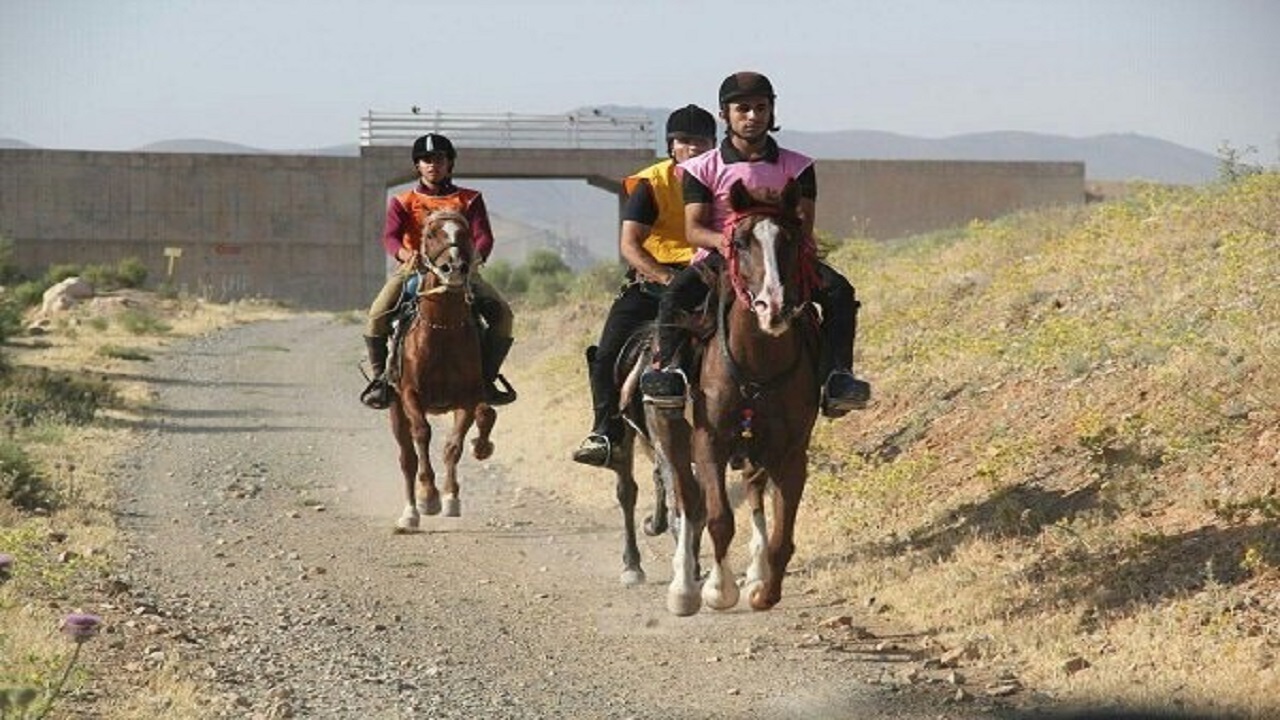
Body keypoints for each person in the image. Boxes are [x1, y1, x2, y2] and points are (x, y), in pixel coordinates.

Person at [639, 71, 872, 418]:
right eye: (743, 109)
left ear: (771, 111)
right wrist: (730, 244)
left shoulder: (799, 166)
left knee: (839, 291)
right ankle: (671, 372)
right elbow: (694, 230)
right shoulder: (703, 168)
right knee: (676, 295)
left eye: (760, 108)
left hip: (783, 255)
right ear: (724, 115)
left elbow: (804, 224)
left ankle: (839, 376)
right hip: (723, 255)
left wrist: (785, 252)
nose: (752, 116)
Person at [571, 105, 718, 467]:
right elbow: (630, 245)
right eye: (684, 142)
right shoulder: (651, 182)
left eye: (701, 141)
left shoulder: (725, 179)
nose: (693, 149)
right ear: (671, 146)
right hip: (655, 280)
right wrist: (668, 279)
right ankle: (606, 432)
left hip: (711, 277)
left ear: (714, 144)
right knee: (607, 353)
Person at [360, 132, 517, 409]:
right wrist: (407, 255)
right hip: (414, 271)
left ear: (450, 163)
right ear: (417, 165)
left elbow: (483, 236)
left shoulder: (470, 199)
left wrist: (473, 262)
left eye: (440, 159)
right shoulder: (403, 201)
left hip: (462, 271)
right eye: (426, 160)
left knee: (503, 316)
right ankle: (381, 381)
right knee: (376, 315)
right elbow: (390, 237)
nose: (433, 164)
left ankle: (487, 381)